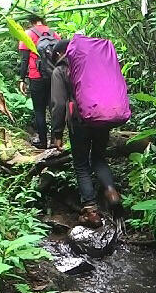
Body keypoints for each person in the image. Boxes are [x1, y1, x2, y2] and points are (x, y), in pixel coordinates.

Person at [50, 40, 122, 229]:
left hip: (79, 121)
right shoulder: (94, 63)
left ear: (59, 54)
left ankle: (91, 210)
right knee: (99, 158)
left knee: (81, 165)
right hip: (102, 117)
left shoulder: (61, 70)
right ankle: (111, 192)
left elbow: (58, 104)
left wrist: (57, 133)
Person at [18, 14, 60, 149]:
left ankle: (42, 141)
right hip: (53, 76)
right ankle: (55, 140)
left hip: (36, 76)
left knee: (39, 110)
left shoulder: (27, 34)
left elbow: (24, 59)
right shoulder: (54, 34)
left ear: (30, 20)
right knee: (53, 108)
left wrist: (22, 79)